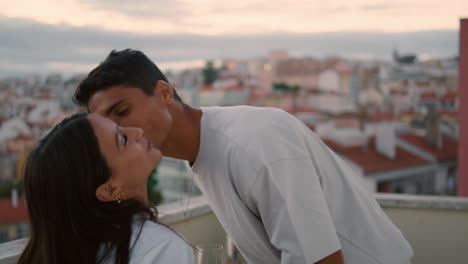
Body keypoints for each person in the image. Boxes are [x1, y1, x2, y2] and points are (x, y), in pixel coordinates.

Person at [74, 49, 414, 264]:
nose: (121, 129)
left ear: (164, 92)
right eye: (108, 124)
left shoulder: (253, 141)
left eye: (123, 110)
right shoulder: (204, 150)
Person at [18, 112, 194, 264]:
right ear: (108, 191)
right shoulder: (162, 248)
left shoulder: (65, 250)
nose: (138, 131)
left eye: (120, 126)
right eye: (123, 140)